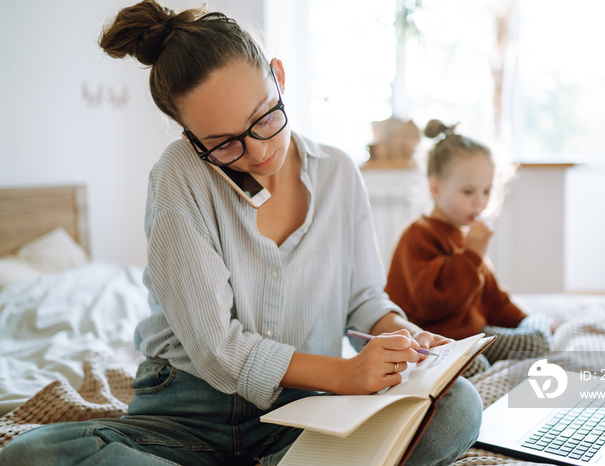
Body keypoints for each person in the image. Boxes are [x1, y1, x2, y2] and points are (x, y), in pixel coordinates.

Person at [0, 2, 482, 465]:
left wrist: (405, 338)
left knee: (458, 406)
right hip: (184, 418)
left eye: (265, 118)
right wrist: (346, 374)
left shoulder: (339, 173)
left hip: (305, 412)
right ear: (191, 138)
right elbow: (217, 348)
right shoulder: (178, 176)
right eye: (225, 143)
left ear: (279, 77)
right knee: (30, 454)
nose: (258, 152)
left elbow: (364, 302)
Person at [385, 119, 551, 377]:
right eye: (468, 191)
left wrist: (521, 320)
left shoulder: (465, 237)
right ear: (436, 187)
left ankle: (539, 320)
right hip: (436, 341)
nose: (480, 202)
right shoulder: (418, 235)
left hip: (472, 335)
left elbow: (493, 299)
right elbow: (433, 302)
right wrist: (472, 254)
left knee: (534, 338)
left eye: (486, 191)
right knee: (476, 365)